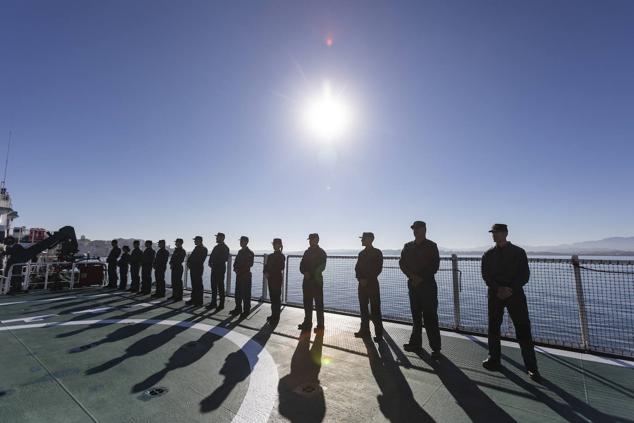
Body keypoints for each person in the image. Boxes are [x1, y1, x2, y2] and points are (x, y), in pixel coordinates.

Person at [481, 223, 540, 381]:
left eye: (497, 232)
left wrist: (510, 289)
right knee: (493, 327)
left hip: (515, 296)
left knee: (523, 329)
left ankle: (531, 367)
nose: (494, 235)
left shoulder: (519, 252)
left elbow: (524, 275)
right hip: (495, 296)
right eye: (493, 232)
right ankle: (494, 359)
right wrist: (499, 289)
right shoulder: (487, 254)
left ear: (505, 233)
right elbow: (486, 275)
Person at [399, 221, 442, 358]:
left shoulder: (431, 246)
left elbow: (434, 265)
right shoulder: (407, 246)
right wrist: (412, 276)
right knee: (416, 316)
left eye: (418, 228)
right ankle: (415, 343)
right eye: (414, 228)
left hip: (428, 287)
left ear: (424, 229)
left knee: (430, 317)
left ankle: (435, 348)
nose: (415, 230)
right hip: (413, 286)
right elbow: (402, 263)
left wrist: (420, 278)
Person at [354, 232, 384, 342]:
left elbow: (378, 269)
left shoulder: (377, 253)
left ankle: (379, 334)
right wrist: (360, 279)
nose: (361, 241)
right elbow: (357, 268)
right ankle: (364, 331)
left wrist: (366, 279)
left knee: (375, 310)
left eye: (363, 239)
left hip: (372, 285)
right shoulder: (361, 254)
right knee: (363, 309)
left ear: (370, 239)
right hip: (362, 285)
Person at [298, 233, 327, 334]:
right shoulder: (307, 252)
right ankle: (307, 323)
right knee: (307, 303)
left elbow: (322, 267)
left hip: (316, 282)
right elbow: (301, 265)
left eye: (312, 239)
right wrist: (304, 272)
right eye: (309, 239)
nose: (310, 241)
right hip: (306, 282)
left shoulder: (322, 252)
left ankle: (320, 326)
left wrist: (310, 274)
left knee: (319, 304)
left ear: (317, 240)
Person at [230, 236, 254, 318]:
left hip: (245, 276)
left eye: (242, 241)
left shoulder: (250, 252)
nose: (240, 242)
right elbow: (235, 262)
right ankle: (238, 308)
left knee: (246, 294)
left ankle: (246, 311)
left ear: (246, 242)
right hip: (239, 275)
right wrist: (235, 268)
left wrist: (239, 270)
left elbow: (249, 264)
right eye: (240, 241)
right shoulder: (239, 252)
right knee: (238, 293)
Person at [264, 238, 285, 324]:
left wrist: (269, 272)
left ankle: (276, 317)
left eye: (276, 244)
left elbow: (280, 267)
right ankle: (273, 315)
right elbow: (266, 266)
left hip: (276, 279)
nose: (274, 245)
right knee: (273, 299)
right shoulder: (270, 256)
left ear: (280, 245)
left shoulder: (281, 256)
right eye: (273, 244)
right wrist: (265, 272)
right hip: (271, 279)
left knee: (276, 298)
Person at [207, 232, 230, 310]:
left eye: (218, 237)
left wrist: (214, 263)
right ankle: (213, 303)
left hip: (220, 269)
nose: (216, 238)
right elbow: (211, 256)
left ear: (222, 238)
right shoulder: (216, 247)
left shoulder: (225, 248)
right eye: (217, 237)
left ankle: (221, 304)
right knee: (213, 286)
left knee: (220, 287)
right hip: (214, 269)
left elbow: (225, 258)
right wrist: (210, 262)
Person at [186, 236, 208, 306]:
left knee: (198, 285)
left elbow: (200, 260)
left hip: (198, 269)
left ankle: (199, 301)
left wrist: (191, 263)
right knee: (194, 284)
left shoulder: (204, 249)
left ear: (199, 240)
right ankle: (193, 299)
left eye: (195, 240)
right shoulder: (196, 248)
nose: (194, 241)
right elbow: (191, 257)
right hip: (193, 268)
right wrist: (188, 262)